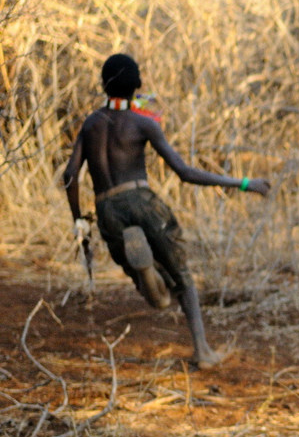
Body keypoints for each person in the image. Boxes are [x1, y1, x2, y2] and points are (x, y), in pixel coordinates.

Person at [63, 54, 271, 369]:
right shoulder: (142, 123)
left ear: (103, 85)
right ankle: (202, 351)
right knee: (183, 279)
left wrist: (79, 219)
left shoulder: (91, 124)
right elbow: (185, 172)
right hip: (142, 201)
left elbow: (69, 176)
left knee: (151, 292)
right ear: (138, 86)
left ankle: (149, 279)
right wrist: (243, 183)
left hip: (107, 208)